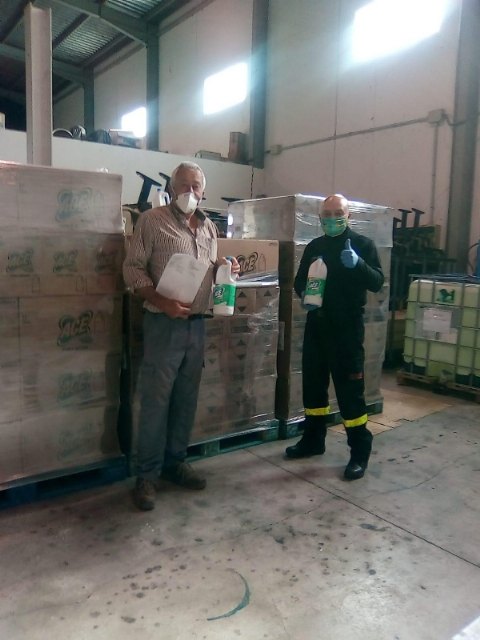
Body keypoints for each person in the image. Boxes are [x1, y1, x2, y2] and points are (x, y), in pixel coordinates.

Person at [123, 161, 240, 510]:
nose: (190, 191)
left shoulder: (209, 228)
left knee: (186, 399)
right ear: (172, 188)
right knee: (156, 400)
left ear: (204, 191)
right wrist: (163, 302)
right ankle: (147, 474)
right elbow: (132, 270)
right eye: (184, 185)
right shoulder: (152, 221)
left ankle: (175, 462)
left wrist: (226, 267)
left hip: (197, 324)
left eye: (196, 186)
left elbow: (210, 268)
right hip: (164, 323)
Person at [285, 194, 384, 480]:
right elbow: (299, 280)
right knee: (314, 386)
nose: (332, 219)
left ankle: (359, 452)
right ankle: (313, 440)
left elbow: (377, 282)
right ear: (320, 218)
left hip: (347, 329)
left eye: (337, 213)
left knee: (350, 392)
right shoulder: (315, 247)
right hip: (317, 325)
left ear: (348, 215)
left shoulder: (363, 245)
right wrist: (305, 294)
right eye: (326, 214)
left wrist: (358, 264)